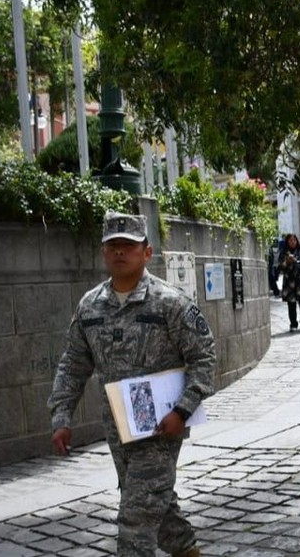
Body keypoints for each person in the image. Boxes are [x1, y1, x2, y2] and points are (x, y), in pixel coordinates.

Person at [48, 212, 216, 557]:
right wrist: (61, 416)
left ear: (147, 252)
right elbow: (73, 364)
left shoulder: (170, 302)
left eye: (128, 245)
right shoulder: (90, 306)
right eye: (113, 246)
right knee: (159, 507)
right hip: (118, 427)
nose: (120, 252)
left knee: (135, 520)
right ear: (103, 252)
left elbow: (204, 357)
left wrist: (183, 410)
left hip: (161, 426)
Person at [278, 234, 300, 331]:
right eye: (290, 240)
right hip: (289, 282)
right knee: (291, 304)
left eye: (294, 240)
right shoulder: (284, 253)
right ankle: (293, 324)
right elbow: (279, 268)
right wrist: (287, 262)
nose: (292, 242)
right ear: (287, 242)